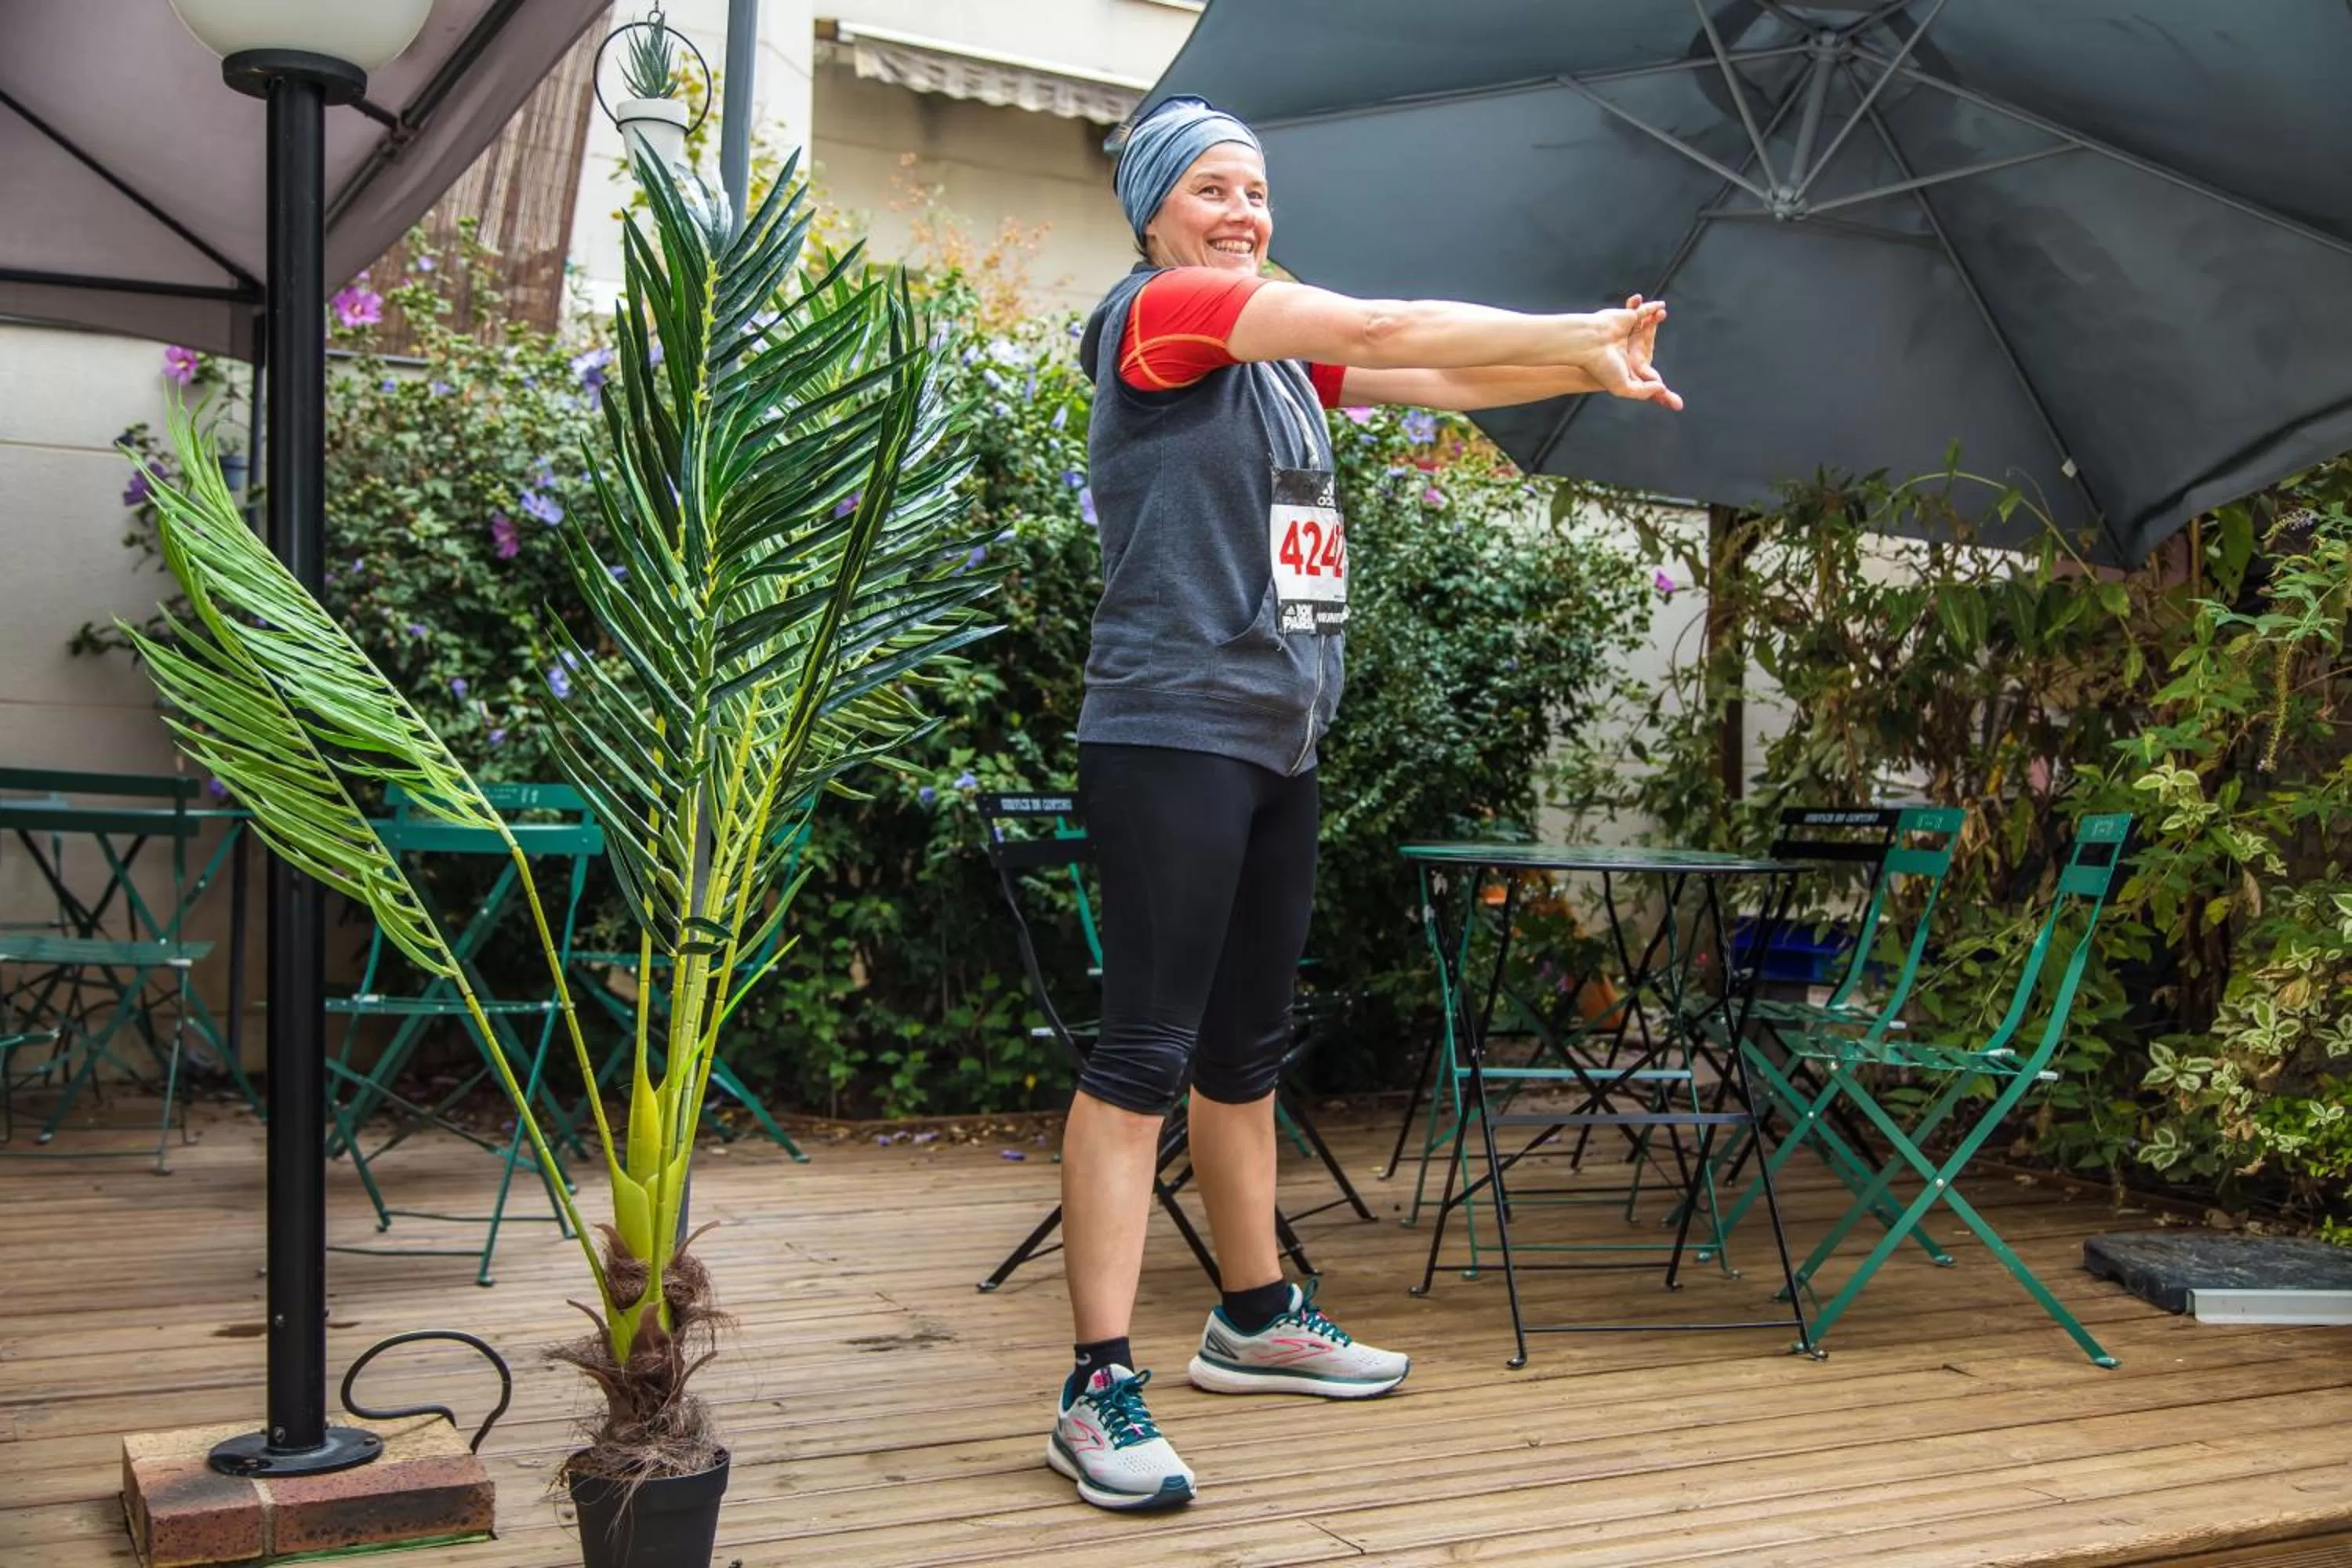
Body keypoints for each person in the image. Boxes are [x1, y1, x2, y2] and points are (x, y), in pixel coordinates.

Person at [1047, 94, 1681, 1513]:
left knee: (1243, 1053)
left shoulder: (1272, 360)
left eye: (1257, 191)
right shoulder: (1166, 314)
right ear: (1154, 213)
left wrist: (1581, 363)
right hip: (1172, 731)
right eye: (1213, 189)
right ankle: (1095, 1386)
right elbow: (1391, 323)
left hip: (1276, 740)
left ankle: (1253, 1319)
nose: (1245, 214)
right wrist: (1577, 321)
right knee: (1142, 1053)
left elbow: (1432, 378)